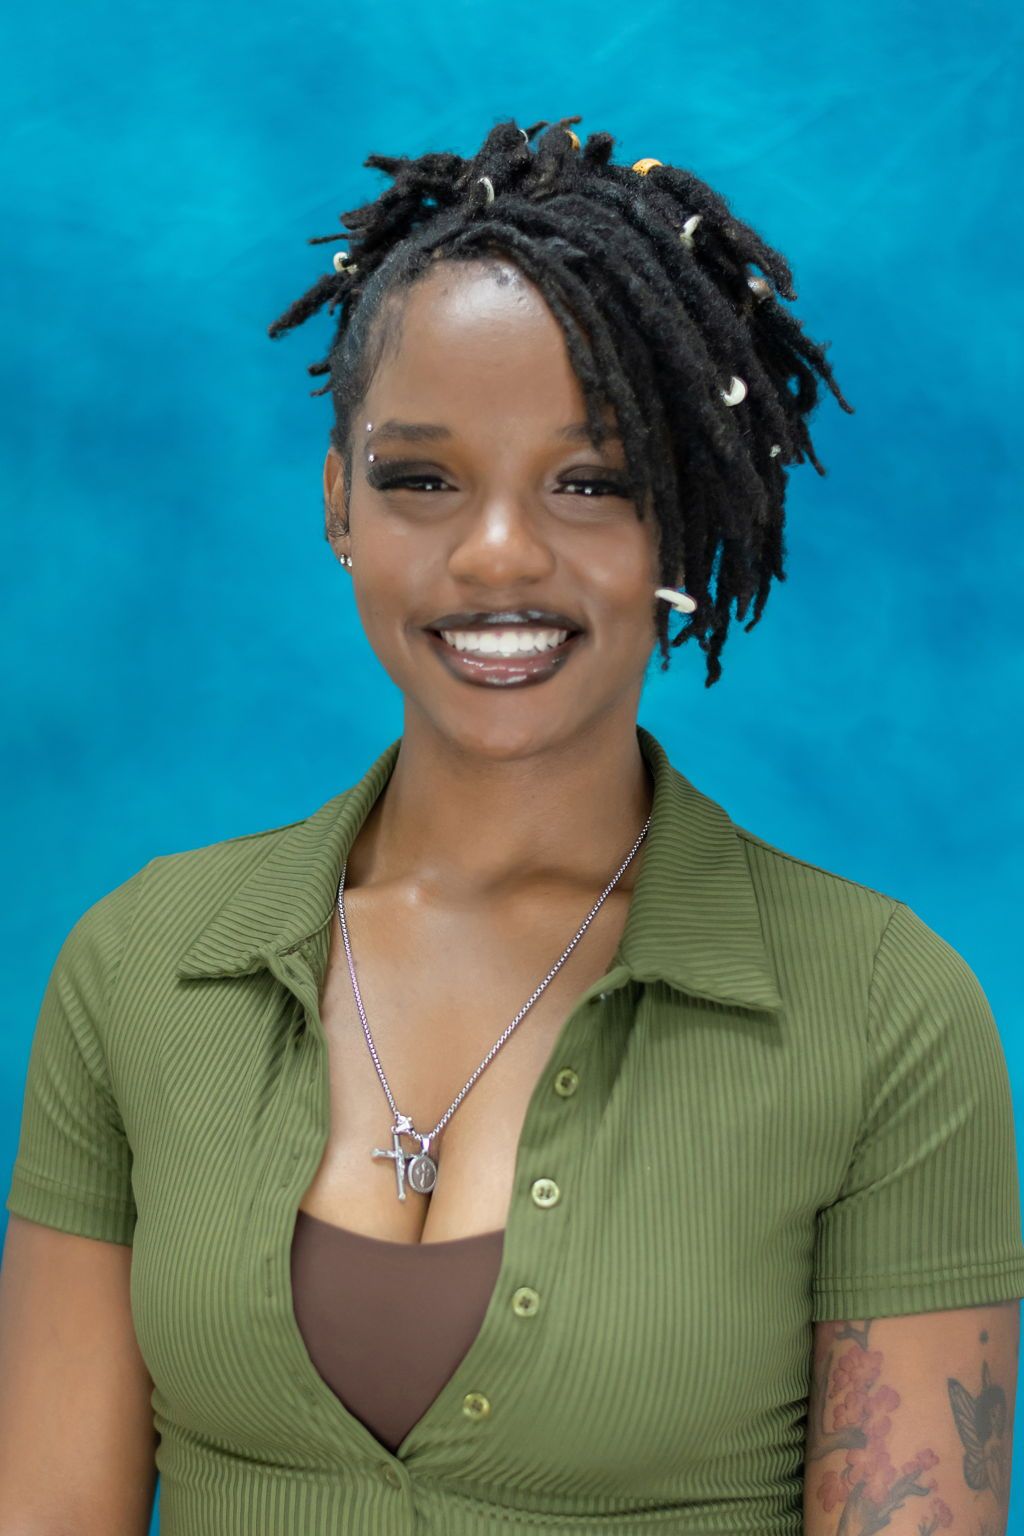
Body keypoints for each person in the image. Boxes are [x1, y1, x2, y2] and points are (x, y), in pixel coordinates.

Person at [2, 113, 1023, 1536]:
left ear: (686, 525)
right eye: (422, 477)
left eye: (592, 482)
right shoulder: (142, 970)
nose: (499, 554)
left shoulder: (882, 1014)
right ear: (338, 504)